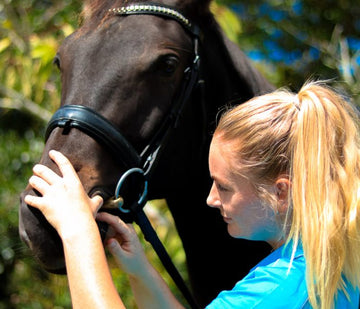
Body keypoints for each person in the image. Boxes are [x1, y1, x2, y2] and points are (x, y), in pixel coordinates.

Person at [24, 80, 360, 309]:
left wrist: (77, 231)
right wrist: (141, 271)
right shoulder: (329, 262)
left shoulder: (278, 289)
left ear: (281, 192)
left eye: (225, 187)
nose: (211, 199)